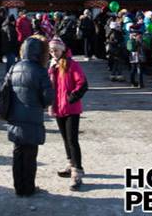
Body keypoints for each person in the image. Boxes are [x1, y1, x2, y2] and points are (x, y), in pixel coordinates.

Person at [6, 36, 54, 197]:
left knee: (18, 153)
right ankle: (29, 188)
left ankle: (19, 187)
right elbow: (48, 97)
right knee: (30, 155)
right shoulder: (40, 71)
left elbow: (6, 90)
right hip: (33, 117)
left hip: (15, 116)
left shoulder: (14, 67)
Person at [47, 37, 87, 191]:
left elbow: (82, 83)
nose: (53, 53)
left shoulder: (72, 64)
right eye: (51, 50)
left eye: (55, 49)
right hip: (57, 107)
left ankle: (77, 172)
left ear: (62, 49)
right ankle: (70, 163)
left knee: (72, 140)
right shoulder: (52, 66)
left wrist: (72, 97)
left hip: (71, 108)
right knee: (65, 139)